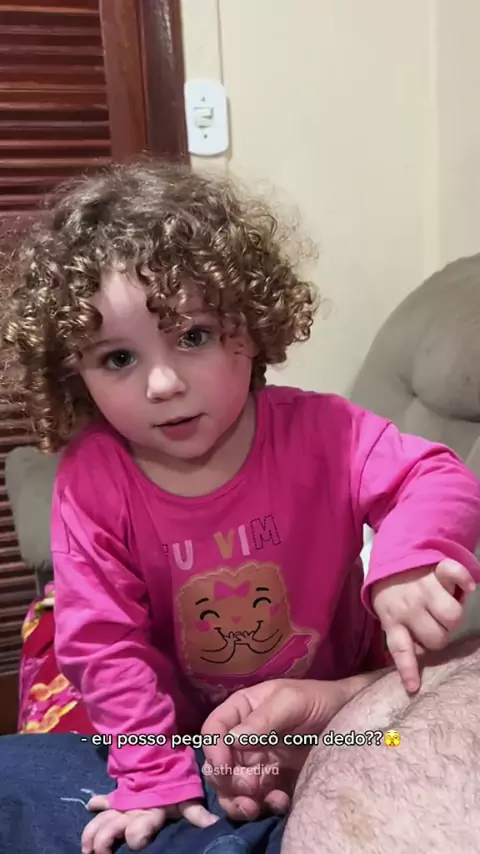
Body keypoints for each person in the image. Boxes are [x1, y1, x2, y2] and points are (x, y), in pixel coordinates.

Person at [2, 159, 480, 854]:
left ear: (249, 329)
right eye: (117, 359)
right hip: (185, 732)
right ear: (74, 373)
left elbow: (434, 474)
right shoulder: (92, 480)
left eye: (192, 337)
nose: (162, 384)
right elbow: (103, 644)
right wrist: (151, 773)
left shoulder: (324, 431)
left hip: (338, 711)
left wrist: (407, 560)